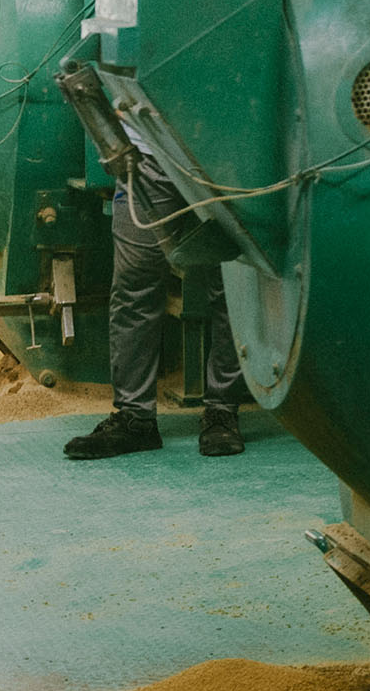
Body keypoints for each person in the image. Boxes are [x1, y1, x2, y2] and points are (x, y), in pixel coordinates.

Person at [62, 155, 246, 461]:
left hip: (222, 149)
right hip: (147, 156)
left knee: (232, 282)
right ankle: (135, 419)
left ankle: (223, 411)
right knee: (134, 285)